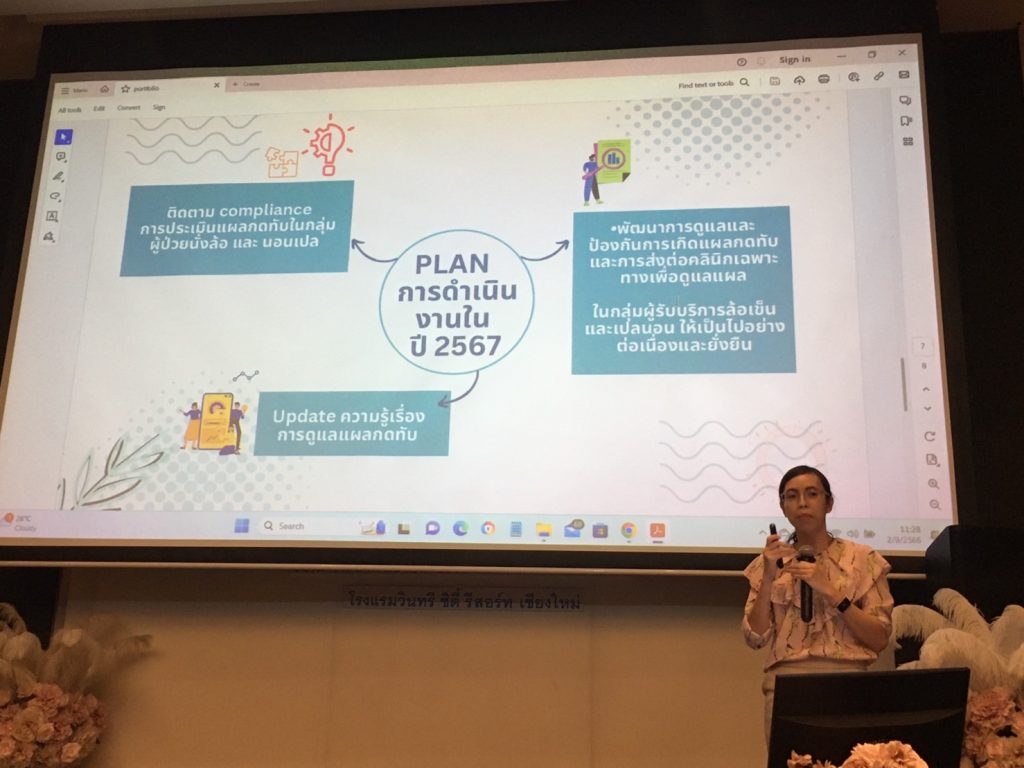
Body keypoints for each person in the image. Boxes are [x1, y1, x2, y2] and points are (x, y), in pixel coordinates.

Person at [741, 465, 893, 741]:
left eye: (812, 494)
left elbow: (879, 638)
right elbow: (755, 638)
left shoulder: (863, 559)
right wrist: (768, 577)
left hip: (850, 683)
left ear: (829, 503)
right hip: (787, 686)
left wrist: (831, 592)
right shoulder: (769, 562)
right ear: (783, 508)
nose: (802, 503)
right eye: (792, 496)